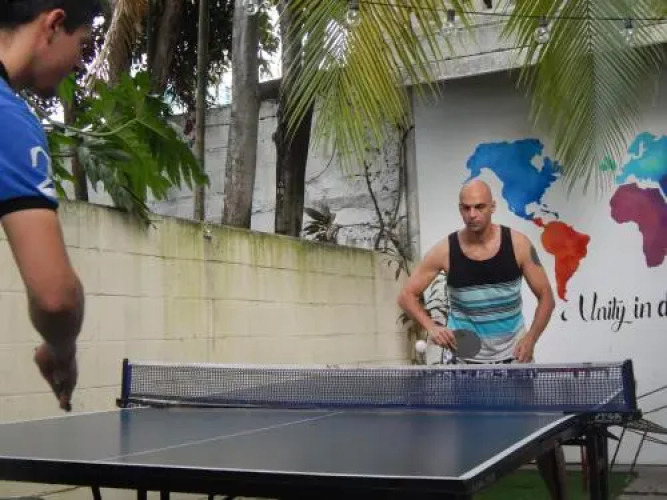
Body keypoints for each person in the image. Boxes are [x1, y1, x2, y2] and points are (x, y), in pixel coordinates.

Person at [398, 179, 567, 499]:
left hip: (515, 357)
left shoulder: (517, 244)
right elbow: (407, 295)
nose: (472, 214)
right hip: (466, 362)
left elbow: (546, 296)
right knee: (466, 439)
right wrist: (432, 327)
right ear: (460, 209)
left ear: (492, 207)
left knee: (543, 437)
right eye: (466, 208)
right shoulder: (445, 250)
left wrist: (531, 339)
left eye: (479, 207)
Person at [0, 1, 102, 411]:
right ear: (54, 25)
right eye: (82, 44)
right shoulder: (8, 120)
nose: (78, 64)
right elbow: (56, 299)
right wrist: (62, 349)